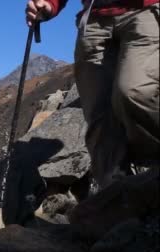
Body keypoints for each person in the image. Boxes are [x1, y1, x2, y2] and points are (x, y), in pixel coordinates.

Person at [25, 0, 159, 189]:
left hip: (143, 10)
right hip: (94, 20)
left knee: (135, 91)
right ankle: (115, 194)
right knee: (98, 113)